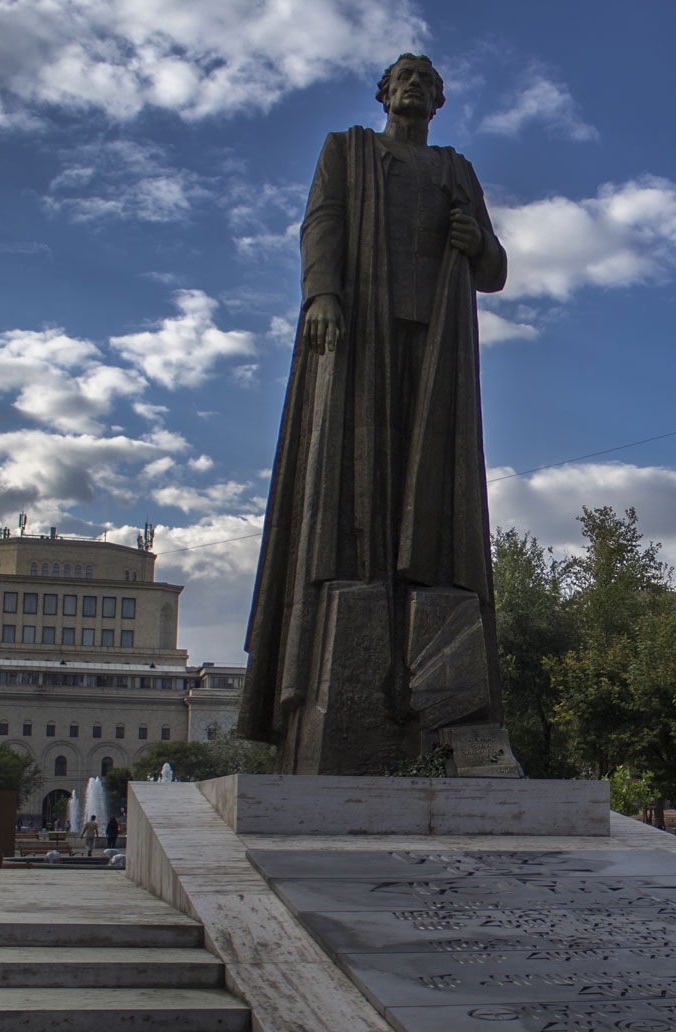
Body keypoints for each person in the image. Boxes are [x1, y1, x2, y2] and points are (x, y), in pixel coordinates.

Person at [242, 53, 512, 774]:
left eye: (428, 81)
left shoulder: (455, 168)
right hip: (360, 329)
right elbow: (321, 224)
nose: (416, 88)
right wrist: (320, 295)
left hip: (436, 340)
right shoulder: (349, 151)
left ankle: (421, 582)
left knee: (431, 477)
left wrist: (477, 244)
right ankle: (359, 578)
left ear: (441, 101)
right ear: (385, 94)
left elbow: (494, 269)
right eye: (405, 80)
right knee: (354, 468)